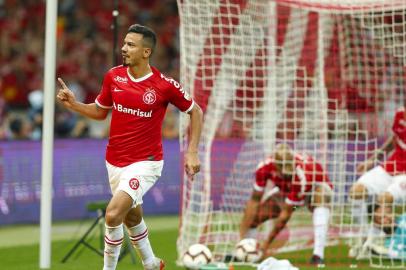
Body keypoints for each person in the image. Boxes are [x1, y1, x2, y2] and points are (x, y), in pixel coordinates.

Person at [57, 24, 203, 270]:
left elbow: (195, 111)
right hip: (114, 162)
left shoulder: (163, 85)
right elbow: (100, 112)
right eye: (124, 43)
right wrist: (74, 104)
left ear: (146, 52)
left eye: (131, 45)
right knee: (132, 217)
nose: (123, 48)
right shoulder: (113, 76)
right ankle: (151, 263)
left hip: (146, 163)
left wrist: (192, 151)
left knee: (113, 214)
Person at [239, 143, 333, 265]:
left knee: (319, 199)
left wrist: (266, 244)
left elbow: (286, 215)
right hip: (286, 191)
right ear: (276, 165)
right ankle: (249, 248)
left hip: (314, 188)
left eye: (290, 170)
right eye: (285, 172)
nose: (288, 173)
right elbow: (254, 200)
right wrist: (242, 236)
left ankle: (318, 255)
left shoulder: (301, 174)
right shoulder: (264, 168)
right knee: (257, 216)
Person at [348, 105, 406, 256]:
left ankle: (380, 241)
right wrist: (372, 159)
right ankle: (365, 240)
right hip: (390, 167)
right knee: (356, 191)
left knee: (384, 200)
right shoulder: (400, 113)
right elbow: (395, 139)